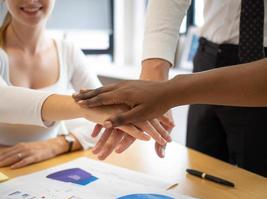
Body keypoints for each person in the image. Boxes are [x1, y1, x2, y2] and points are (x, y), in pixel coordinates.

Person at [74, 0, 267, 177]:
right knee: (201, 173)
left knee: (257, 176)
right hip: (207, 55)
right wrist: (154, 76)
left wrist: (166, 92)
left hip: (258, 72)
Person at [0, 0, 171, 168]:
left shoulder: (68, 52)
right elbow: (4, 100)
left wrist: (56, 145)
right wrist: (87, 108)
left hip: (47, 165)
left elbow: (104, 119)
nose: (31, 1)